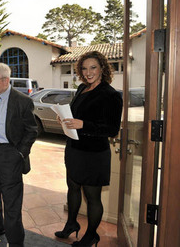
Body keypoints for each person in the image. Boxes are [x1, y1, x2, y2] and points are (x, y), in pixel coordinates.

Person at [54, 51, 122, 247]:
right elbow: (77, 116)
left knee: (93, 197)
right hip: (74, 148)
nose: (88, 72)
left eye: (93, 67)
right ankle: (71, 224)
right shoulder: (82, 88)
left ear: (102, 68)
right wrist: (66, 119)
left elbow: (111, 129)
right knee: (72, 188)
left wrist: (83, 124)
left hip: (94, 154)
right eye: (84, 68)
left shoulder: (110, 95)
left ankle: (92, 235)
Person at [0, 63, 38, 247]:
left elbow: (32, 130)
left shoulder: (22, 100)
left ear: (5, 80)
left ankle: (15, 242)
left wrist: (19, 153)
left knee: (11, 203)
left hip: (9, 153)